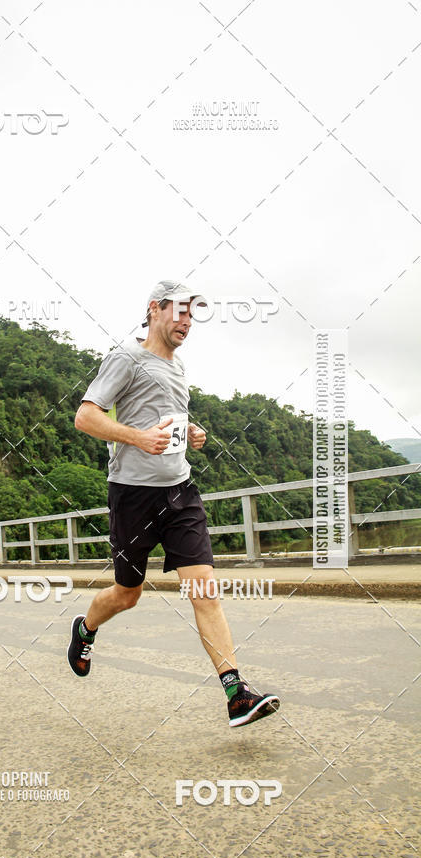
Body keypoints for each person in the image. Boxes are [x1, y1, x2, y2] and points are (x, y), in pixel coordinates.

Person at [68, 281, 279, 728]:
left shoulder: (178, 366)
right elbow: (85, 416)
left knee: (204, 590)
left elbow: (165, 419)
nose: (186, 322)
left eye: (192, 315)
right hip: (132, 496)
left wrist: (193, 433)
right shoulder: (125, 358)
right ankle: (85, 629)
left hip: (180, 492)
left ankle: (235, 692)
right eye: (179, 312)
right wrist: (137, 437)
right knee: (128, 595)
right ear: (154, 310)